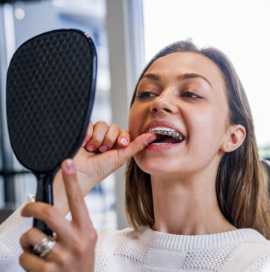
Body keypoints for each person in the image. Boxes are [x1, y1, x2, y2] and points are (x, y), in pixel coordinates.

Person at [1, 40, 270, 272]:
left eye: (190, 93)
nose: (159, 102)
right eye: (146, 93)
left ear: (232, 137)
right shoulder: (86, 251)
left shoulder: (259, 261)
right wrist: (66, 184)